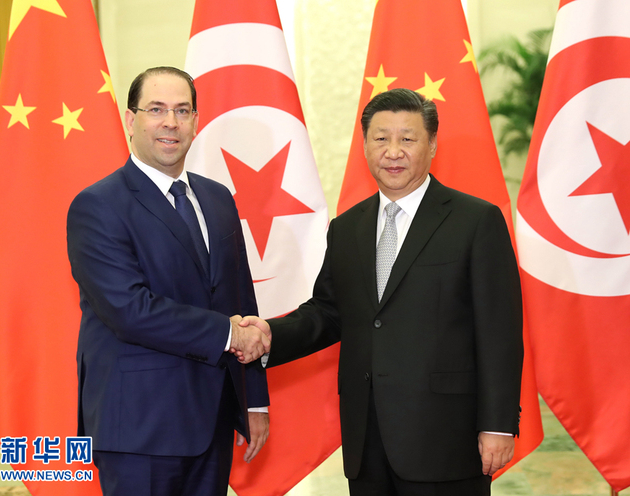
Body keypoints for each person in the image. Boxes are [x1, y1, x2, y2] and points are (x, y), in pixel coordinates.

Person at [241, 88, 523, 496]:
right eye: (381, 138)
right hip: (367, 440)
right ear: (365, 145)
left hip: (447, 438)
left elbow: (499, 332)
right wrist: (268, 335)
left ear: (432, 145)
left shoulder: (475, 221)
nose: (393, 151)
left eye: (407, 139)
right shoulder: (347, 227)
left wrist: (497, 424)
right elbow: (328, 312)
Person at [66, 66, 270, 496]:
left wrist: (252, 398)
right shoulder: (98, 206)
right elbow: (129, 310)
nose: (170, 123)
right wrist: (227, 333)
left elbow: (240, 298)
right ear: (130, 120)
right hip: (139, 428)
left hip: (212, 419)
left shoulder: (217, 198)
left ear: (196, 121)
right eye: (156, 109)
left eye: (182, 110)